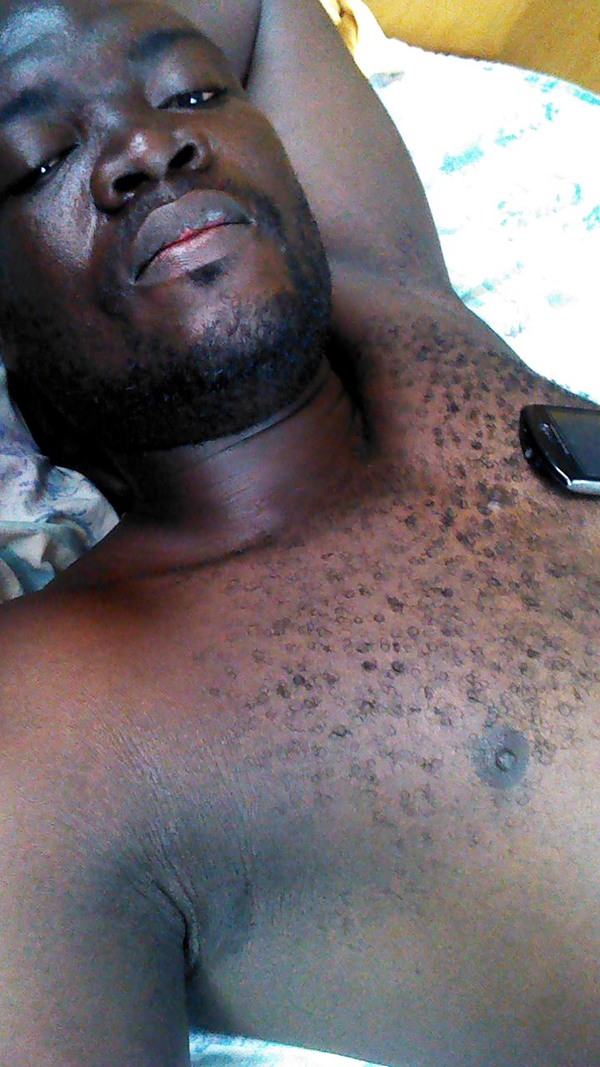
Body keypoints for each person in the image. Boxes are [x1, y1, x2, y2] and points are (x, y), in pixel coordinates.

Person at [0, 1, 598, 1065]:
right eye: (42, 157)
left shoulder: (399, 305)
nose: (150, 144)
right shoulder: (62, 716)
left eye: (191, 95)